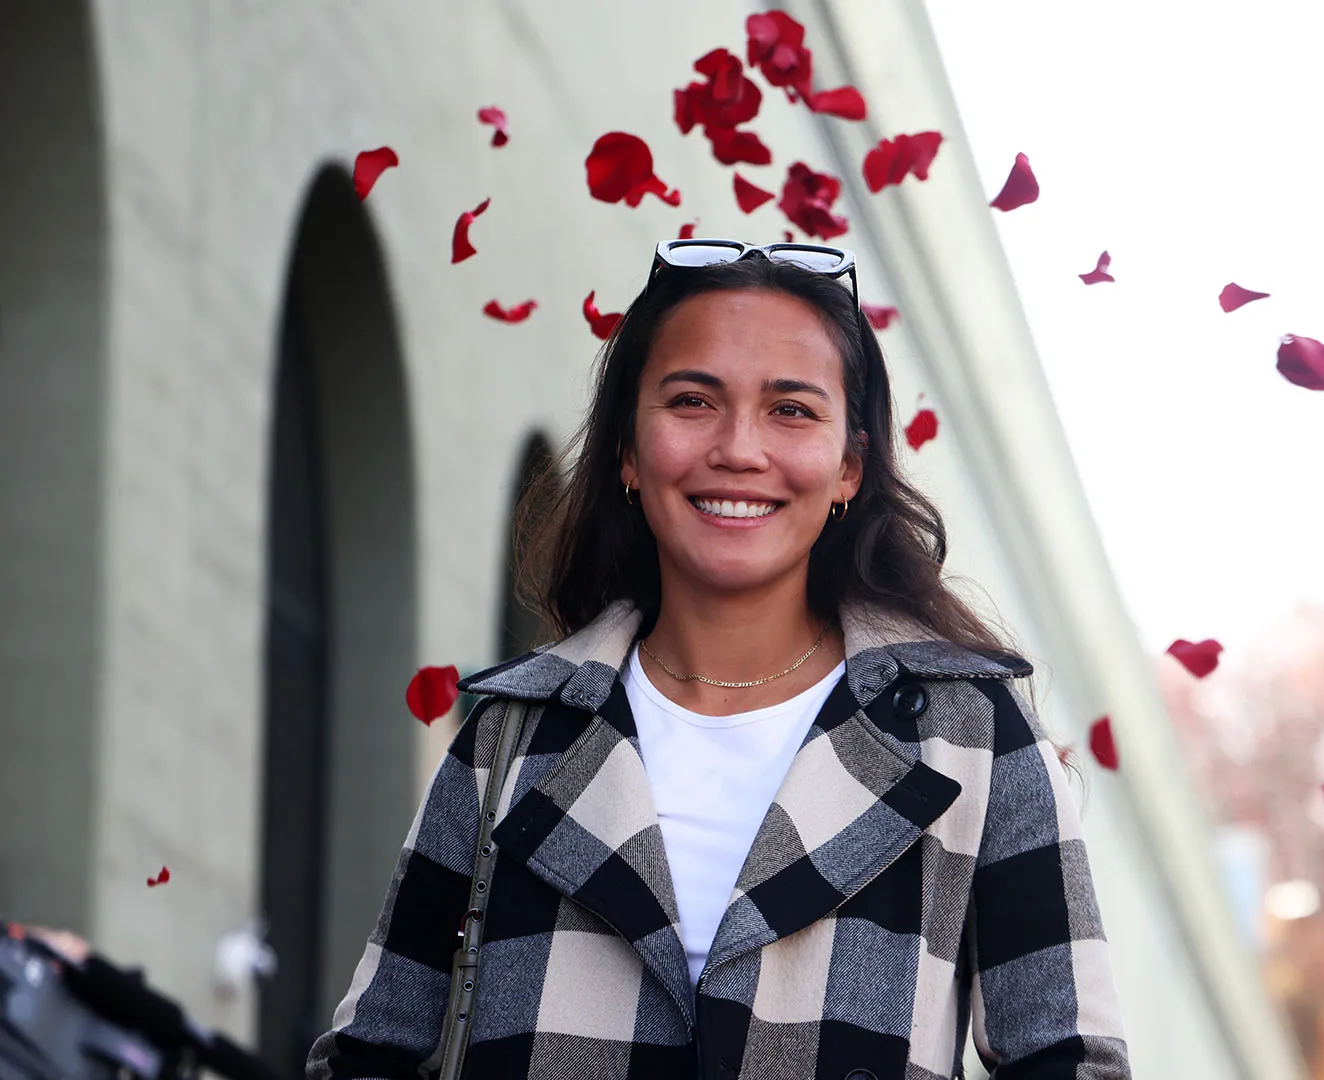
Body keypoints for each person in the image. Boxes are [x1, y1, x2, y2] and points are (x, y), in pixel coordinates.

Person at [306, 240, 1130, 1079]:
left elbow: (1070, 1060)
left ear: (850, 464)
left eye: (792, 410)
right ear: (629, 451)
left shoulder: (970, 734)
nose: (739, 448)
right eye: (693, 401)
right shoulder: (512, 735)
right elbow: (372, 1054)